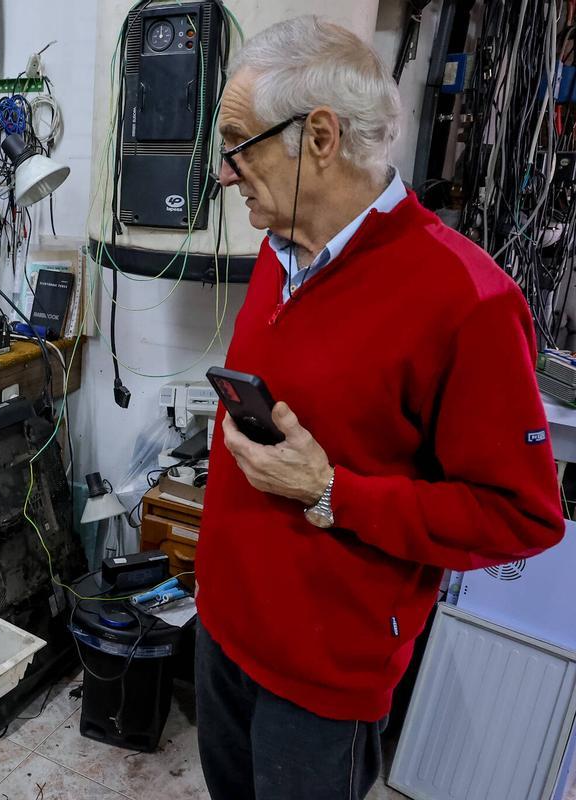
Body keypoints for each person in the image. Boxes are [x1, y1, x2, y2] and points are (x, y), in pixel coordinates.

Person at [195, 15, 566, 800]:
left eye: (238, 144)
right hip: (224, 629)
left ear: (320, 138)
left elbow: (521, 517)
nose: (225, 175)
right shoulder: (278, 250)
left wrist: (335, 493)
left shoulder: (465, 301)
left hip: (324, 676)